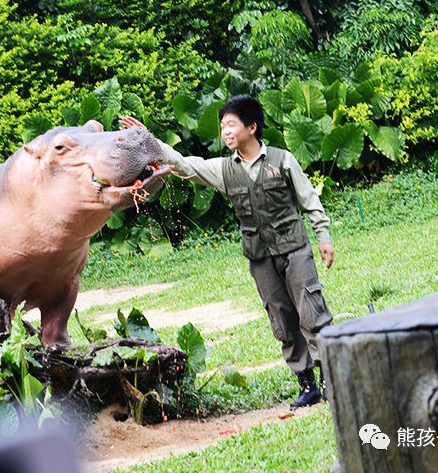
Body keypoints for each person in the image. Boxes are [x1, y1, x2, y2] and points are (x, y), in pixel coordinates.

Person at [120, 94, 335, 410]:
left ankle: (330, 377)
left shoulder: (283, 160)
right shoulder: (223, 169)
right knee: (281, 320)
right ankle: (307, 385)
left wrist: (324, 236)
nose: (225, 132)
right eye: (222, 126)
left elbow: (308, 200)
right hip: (260, 256)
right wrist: (151, 142)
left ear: (252, 127)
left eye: (231, 125)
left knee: (311, 312)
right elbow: (184, 164)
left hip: (294, 248)